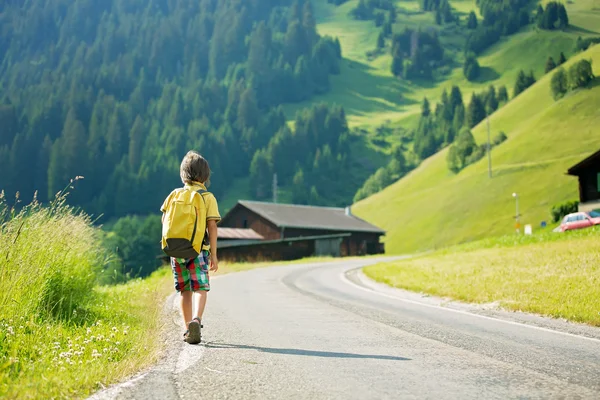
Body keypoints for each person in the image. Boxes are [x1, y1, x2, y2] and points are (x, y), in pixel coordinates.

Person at [160, 151, 220, 344]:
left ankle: (187, 329)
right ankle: (196, 320)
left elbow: (164, 220)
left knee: (184, 291)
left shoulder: (173, 195)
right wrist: (214, 254)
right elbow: (212, 226)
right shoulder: (207, 197)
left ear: (183, 174)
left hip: (176, 251)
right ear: (205, 176)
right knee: (200, 288)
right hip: (198, 250)